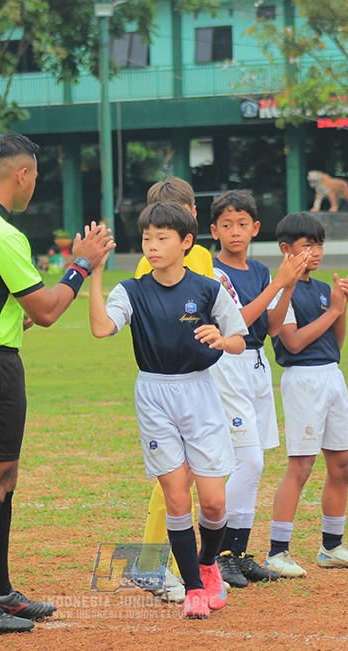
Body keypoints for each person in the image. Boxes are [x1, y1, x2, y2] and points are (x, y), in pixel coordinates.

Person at [0, 132, 113, 634]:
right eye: (35, 177)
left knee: (3, 478)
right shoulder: (3, 234)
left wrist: (3, 316)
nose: (34, 186)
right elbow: (48, 311)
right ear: (22, 175)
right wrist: (81, 264)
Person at [89, 201, 247, 618]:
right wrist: (96, 272)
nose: (152, 246)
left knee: (213, 503)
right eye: (147, 239)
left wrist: (222, 338)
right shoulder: (131, 290)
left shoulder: (208, 288)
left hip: (200, 393)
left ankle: (208, 563)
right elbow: (102, 328)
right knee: (177, 498)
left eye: (162, 238)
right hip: (154, 395)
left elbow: (239, 339)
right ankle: (193, 588)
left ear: (186, 241)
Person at [264, 213, 348, 574]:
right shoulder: (281, 291)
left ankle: (332, 547)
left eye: (319, 245)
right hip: (303, 380)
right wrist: (334, 311)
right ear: (286, 250)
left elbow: (335, 343)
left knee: (342, 465)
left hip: (331, 376)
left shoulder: (325, 288)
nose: (316, 252)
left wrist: (341, 306)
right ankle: (277, 552)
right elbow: (293, 343)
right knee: (301, 466)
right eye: (307, 245)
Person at [207, 190, 303, 586]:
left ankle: (239, 553)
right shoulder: (214, 272)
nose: (235, 231)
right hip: (228, 364)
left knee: (255, 460)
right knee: (248, 461)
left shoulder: (262, 271)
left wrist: (288, 284)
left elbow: (274, 325)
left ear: (255, 228)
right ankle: (217, 554)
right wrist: (278, 281)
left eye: (242, 224)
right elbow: (236, 322)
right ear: (214, 231)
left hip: (258, 365)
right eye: (226, 225)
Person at [130, 176, 214, 603]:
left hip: (198, 379)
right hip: (170, 383)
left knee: (190, 480)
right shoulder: (152, 266)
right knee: (175, 482)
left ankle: (178, 565)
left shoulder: (202, 257)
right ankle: (151, 564)